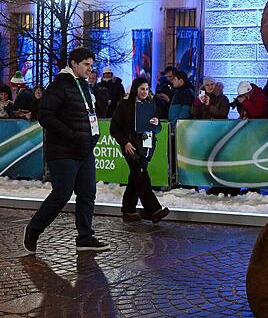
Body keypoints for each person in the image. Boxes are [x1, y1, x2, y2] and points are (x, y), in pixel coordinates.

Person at [23, 47, 110, 253]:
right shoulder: (59, 86)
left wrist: (91, 137)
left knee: (88, 193)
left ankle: (85, 237)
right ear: (73, 64)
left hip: (85, 149)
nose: (90, 69)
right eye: (86, 64)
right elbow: (45, 116)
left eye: (91, 65)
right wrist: (71, 135)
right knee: (61, 194)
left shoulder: (84, 86)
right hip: (63, 151)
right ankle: (34, 229)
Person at [110, 77, 170, 223]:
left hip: (146, 146)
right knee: (141, 175)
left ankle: (128, 210)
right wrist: (125, 142)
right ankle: (153, 210)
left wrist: (156, 124)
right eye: (142, 88)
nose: (144, 91)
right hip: (131, 147)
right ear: (135, 89)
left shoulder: (150, 104)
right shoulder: (124, 105)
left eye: (147, 89)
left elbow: (157, 128)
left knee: (135, 178)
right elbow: (114, 128)